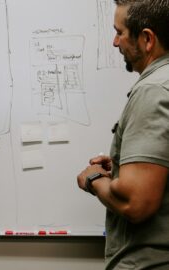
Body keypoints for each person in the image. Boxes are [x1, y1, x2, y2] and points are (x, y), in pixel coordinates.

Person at [77, 0, 169, 269]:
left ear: (147, 39)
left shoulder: (153, 91)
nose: (115, 43)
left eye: (120, 32)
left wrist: (92, 178)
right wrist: (121, 169)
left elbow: (135, 202)